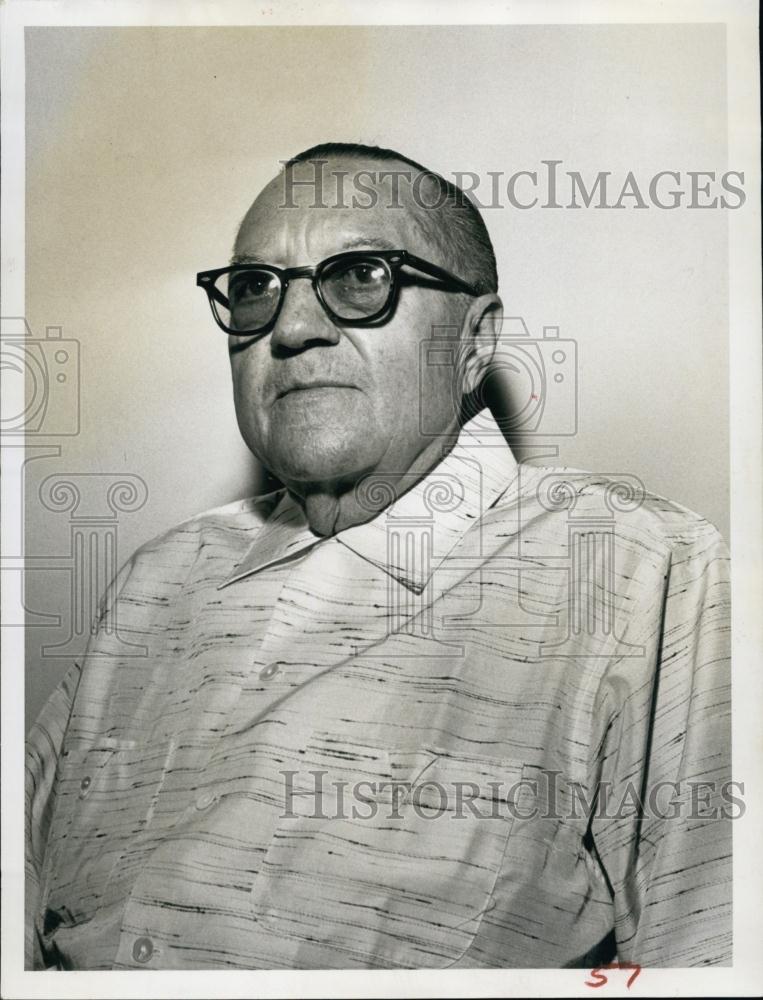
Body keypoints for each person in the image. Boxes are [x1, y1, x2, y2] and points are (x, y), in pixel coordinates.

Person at [25, 142, 732, 971]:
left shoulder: (640, 570)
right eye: (254, 288)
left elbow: (706, 956)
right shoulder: (154, 579)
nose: (289, 328)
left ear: (474, 342)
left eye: (361, 277)